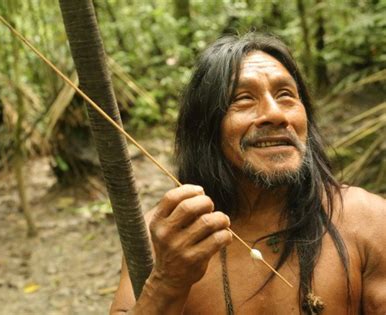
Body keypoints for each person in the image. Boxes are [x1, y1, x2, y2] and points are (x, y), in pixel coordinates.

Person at [110, 33, 386, 314]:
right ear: (206, 127)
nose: (276, 114)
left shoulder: (367, 221)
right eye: (243, 99)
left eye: (286, 95)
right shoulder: (167, 235)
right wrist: (166, 283)